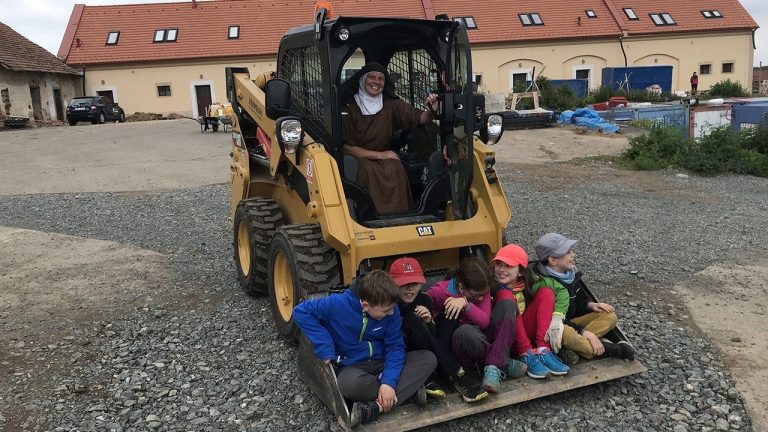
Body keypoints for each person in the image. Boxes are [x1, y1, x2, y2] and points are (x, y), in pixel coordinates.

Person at [292, 270, 437, 428]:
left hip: (383, 362)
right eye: (385, 310)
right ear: (366, 305)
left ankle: (376, 408)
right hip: (353, 367)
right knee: (348, 385)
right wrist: (325, 345)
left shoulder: (391, 310)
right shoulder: (337, 303)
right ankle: (408, 391)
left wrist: (388, 383)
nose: (391, 313)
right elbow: (300, 311)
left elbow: (395, 347)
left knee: (428, 359)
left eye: (392, 308)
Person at [342, 61, 439, 213]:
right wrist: (381, 155)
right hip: (358, 157)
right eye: (372, 77)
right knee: (368, 170)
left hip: (384, 156)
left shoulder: (391, 104)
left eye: (381, 78)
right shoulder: (348, 107)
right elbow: (347, 148)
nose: (376, 82)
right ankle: (369, 215)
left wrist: (432, 110)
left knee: (396, 166)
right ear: (362, 80)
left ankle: (401, 215)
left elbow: (419, 118)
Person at [388, 257, 488, 403]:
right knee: (411, 320)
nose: (410, 288)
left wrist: (429, 322)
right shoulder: (388, 304)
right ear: (393, 284)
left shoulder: (425, 299)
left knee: (451, 307)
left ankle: (438, 375)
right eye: (404, 284)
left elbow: (433, 339)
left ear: (421, 283)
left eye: (414, 284)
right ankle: (457, 374)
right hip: (409, 355)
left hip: (433, 352)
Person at [530, 233, 635, 362]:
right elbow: (554, 321)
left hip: (573, 323)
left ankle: (574, 348)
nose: (573, 254)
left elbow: (577, 300)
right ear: (553, 260)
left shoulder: (570, 274)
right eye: (568, 252)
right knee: (567, 334)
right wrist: (585, 332)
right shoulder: (545, 284)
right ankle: (608, 350)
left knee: (609, 316)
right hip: (555, 327)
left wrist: (591, 305)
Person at [427, 257, 526, 394]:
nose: (480, 298)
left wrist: (466, 305)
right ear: (461, 287)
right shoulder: (439, 291)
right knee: (465, 332)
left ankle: (493, 366)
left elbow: (485, 321)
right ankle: (503, 364)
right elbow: (423, 308)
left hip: (482, 336)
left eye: (483, 295)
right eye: (476, 295)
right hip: (460, 346)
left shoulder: (482, 290)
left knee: (507, 305)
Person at [493, 244, 571, 379]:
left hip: (525, 336)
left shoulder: (530, 282)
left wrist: (557, 318)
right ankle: (525, 354)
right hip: (504, 341)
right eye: (498, 264)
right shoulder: (488, 284)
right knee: (506, 295)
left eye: (508, 266)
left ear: (520, 271)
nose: (501, 269)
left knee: (546, 292)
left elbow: (561, 290)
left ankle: (543, 350)